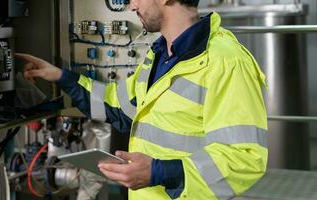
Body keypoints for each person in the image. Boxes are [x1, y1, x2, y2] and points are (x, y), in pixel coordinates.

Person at [16, 0, 268, 199]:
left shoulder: (227, 62)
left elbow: (244, 158)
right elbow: (119, 108)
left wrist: (158, 172)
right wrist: (61, 77)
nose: (131, 5)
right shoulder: (158, 55)